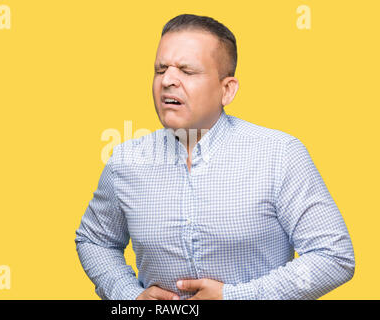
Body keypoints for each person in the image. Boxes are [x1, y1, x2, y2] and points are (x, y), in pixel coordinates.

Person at [74, 14, 355, 300]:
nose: (168, 80)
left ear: (227, 90)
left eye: (187, 71)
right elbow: (95, 240)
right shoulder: (126, 161)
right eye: (161, 70)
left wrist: (236, 297)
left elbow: (333, 257)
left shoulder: (279, 154)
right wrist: (128, 295)